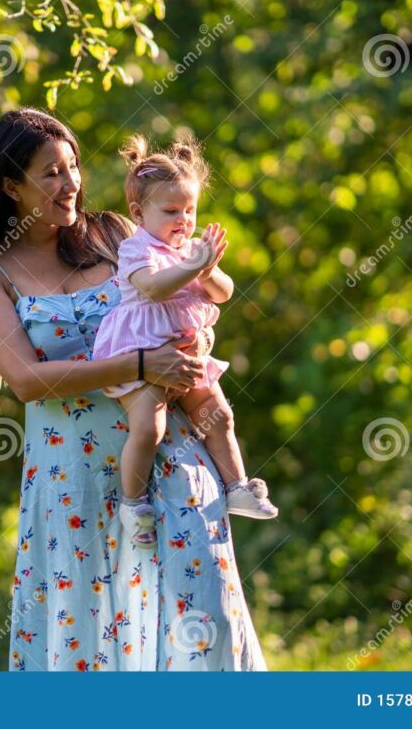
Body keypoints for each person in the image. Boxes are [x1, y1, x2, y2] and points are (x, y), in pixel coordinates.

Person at [0, 107, 267, 670]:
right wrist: (141, 365)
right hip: (75, 482)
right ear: (9, 186)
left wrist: (190, 341)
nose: (68, 183)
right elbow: (25, 381)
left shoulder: (113, 235)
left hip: (171, 457)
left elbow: (190, 299)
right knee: (93, 642)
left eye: (72, 167)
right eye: (49, 173)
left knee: (205, 625)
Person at [91, 133, 278, 549]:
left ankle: (237, 486)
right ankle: (133, 503)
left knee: (219, 414)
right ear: (139, 213)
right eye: (171, 210)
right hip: (142, 354)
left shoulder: (192, 251)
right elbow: (154, 289)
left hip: (188, 357)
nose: (184, 220)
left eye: (190, 210)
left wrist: (206, 269)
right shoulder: (135, 249)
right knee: (149, 427)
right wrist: (190, 266)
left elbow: (224, 293)